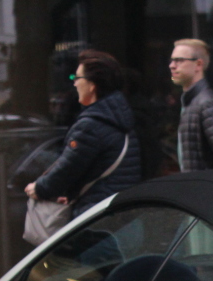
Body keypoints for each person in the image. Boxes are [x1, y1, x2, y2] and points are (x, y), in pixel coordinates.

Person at [25, 49, 142, 218]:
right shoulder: (119, 118)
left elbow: (68, 167)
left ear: (93, 85)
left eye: (77, 78)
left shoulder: (91, 126)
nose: (74, 83)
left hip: (99, 220)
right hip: (124, 215)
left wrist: (40, 188)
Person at [169, 38, 213, 170]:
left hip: (206, 189)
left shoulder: (207, 103)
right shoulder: (192, 102)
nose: (172, 65)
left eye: (179, 60)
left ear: (198, 64)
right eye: (172, 60)